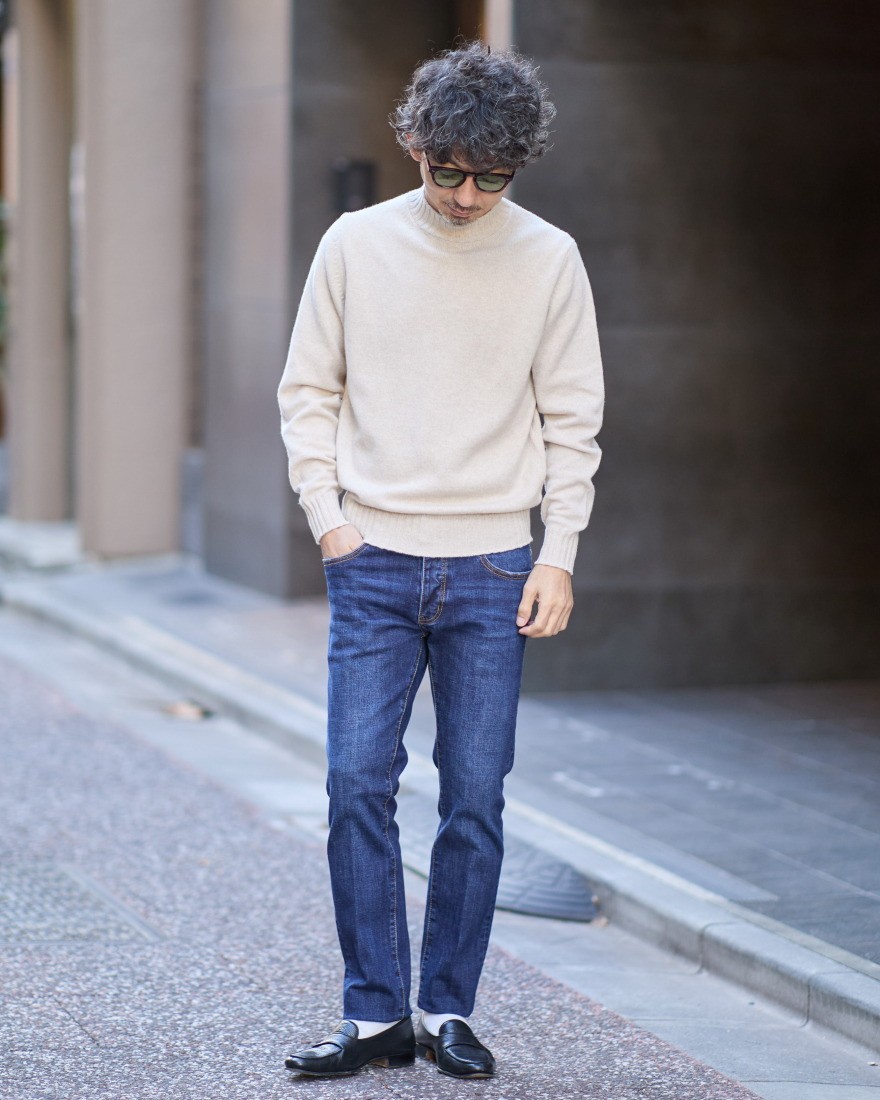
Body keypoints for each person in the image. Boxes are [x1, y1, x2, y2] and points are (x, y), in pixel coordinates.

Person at [277, 40, 604, 1081]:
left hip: (495, 567)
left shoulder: (549, 257)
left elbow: (572, 420)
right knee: (353, 784)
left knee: (473, 796)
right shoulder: (354, 244)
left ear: (517, 166)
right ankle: (376, 1014)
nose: (466, 196)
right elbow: (308, 392)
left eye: (491, 178)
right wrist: (330, 519)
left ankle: (446, 1006)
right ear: (415, 145)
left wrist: (558, 554)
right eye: (447, 171)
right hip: (372, 559)